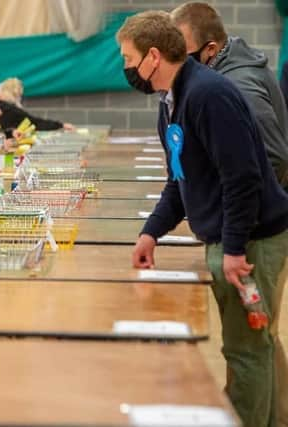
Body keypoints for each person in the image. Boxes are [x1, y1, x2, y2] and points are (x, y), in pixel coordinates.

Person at [118, 11, 288, 427]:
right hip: (230, 239)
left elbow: (242, 177)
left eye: (128, 58)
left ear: (152, 56)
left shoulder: (209, 94)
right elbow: (181, 180)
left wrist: (232, 249)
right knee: (251, 347)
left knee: (247, 350)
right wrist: (150, 233)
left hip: (252, 243)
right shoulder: (173, 101)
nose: (126, 68)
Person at [171, 2, 288, 191]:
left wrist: (238, 210)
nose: (176, 60)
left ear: (211, 49)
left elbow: (275, 159)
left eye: (182, 52)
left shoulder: (239, 85)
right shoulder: (223, 68)